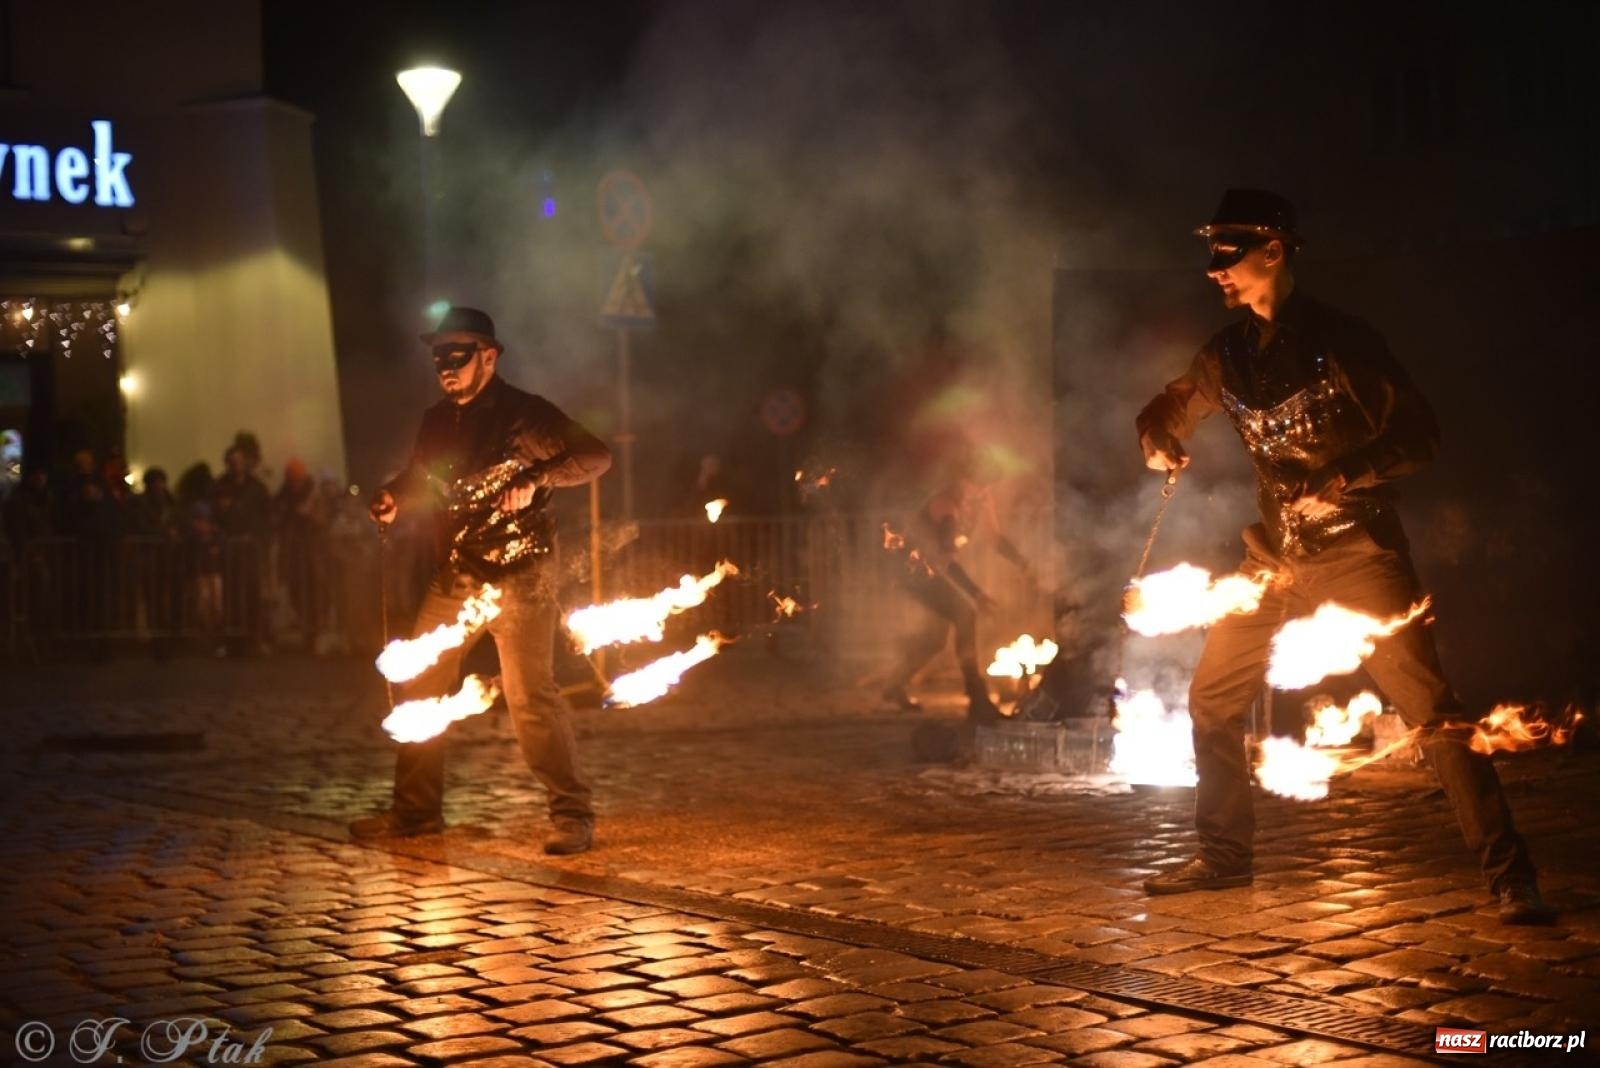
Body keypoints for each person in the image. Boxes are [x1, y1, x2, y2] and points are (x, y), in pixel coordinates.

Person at [1134, 189, 1552, 924]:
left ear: (1273, 250)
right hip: (1273, 562)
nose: (1213, 268)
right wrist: (1158, 436)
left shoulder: (1344, 341)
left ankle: (1510, 875)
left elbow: (1420, 437)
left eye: (1228, 252)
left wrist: (1341, 474)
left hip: (1360, 556)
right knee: (1212, 699)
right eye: (1211, 252)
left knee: (1433, 714)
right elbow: (1171, 403)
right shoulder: (1226, 355)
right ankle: (1225, 857)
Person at [351, 306, 611, 855]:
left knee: (528, 694)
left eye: (458, 355)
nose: (446, 366)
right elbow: (421, 477)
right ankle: (416, 813)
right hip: (460, 569)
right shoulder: (436, 421)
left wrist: (536, 477)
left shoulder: (526, 414)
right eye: (438, 357)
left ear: (488, 357)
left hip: (521, 572)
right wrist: (395, 496)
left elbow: (595, 455)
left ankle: (572, 814)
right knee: (421, 682)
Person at [880, 448, 1035, 723]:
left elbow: (994, 538)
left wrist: (1022, 563)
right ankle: (977, 698)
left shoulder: (981, 499)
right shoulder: (945, 503)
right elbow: (943, 560)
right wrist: (977, 594)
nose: (982, 491)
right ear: (964, 479)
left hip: (933, 569)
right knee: (965, 613)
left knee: (935, 639)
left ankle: (894, 685)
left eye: (987, 485)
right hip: (912, 571)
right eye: (977, 484)